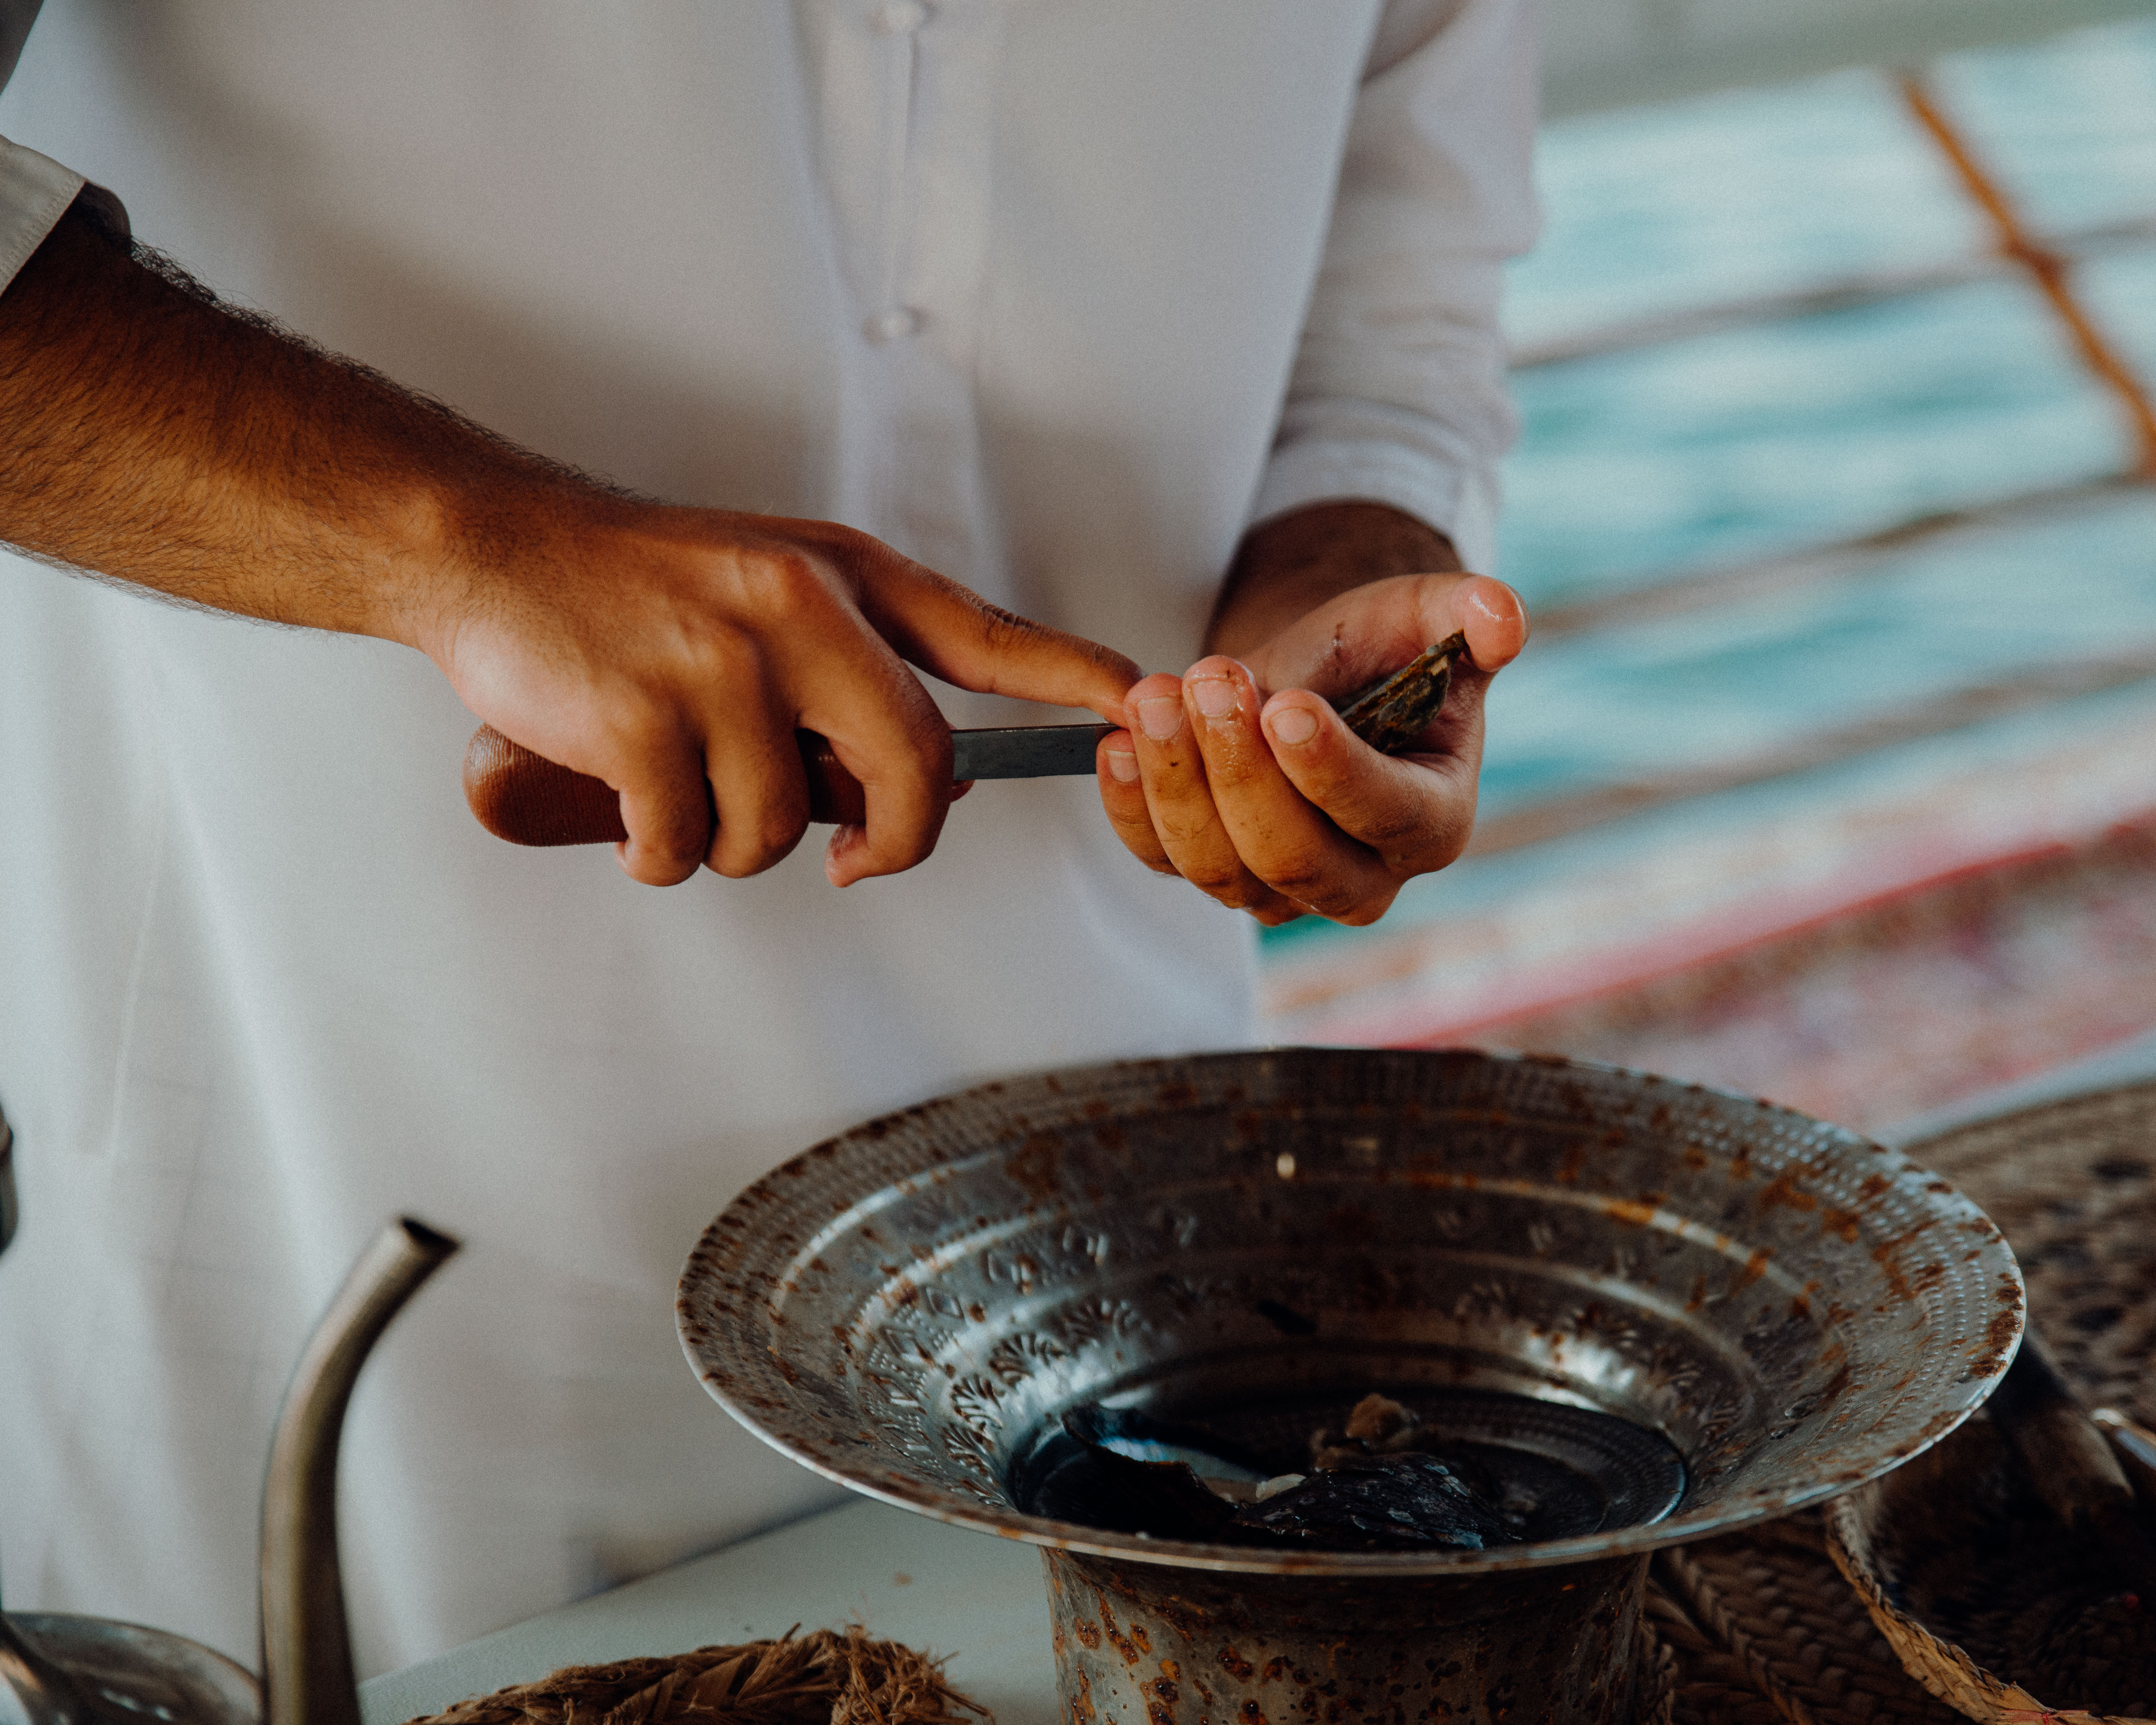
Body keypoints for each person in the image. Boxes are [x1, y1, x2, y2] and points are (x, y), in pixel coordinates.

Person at [0, 0, 1537, 1676]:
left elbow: (1395, 332)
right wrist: (461, 541)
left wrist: (1333, 592)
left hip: (1125, 1265)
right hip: (327, 1244)